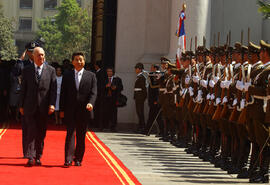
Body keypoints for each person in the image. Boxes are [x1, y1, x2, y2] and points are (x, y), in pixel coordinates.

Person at [19, 47, 57, 167]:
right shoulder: (27, 70)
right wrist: (21, 105)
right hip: (29, 106)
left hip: (44, 107)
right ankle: (30, 157)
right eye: (38, 55)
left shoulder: (51, 70)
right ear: (33, 56)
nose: (41, 57)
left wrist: (52, 104)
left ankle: (38, 156)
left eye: (42, 55)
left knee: (41, 133)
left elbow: (53, 90)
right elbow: (23, 89)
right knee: (31, 131)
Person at [60, 52, 97, 167]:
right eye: (76, 59)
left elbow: (94, 92)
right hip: (70, 110)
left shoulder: (91, 76)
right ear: (72, 62)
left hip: (84, 111)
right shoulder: (67, 75)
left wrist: (91, 103)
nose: (79, 62)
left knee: (81, 136)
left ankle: (78, 159)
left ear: (84, 61)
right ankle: (68, 159)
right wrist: (61, 109)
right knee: (70, 134)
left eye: (81, 59)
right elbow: (63, 93)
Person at [14, 41, 39, 158]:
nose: (33, 53)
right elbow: (15, 72)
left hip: (39, 101)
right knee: (27, 128)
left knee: (39, 129)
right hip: (26, 100)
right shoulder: (23, 65)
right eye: (31, 51)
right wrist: (20, 60)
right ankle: (27, 152)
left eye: (35, 51)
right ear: (27, 52)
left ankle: (36, 152)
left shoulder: (43, 64)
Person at [101, 67, 123, 132]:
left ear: (113, 72)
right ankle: (105, 126)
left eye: (110, 71)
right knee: (105, 112)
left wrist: (116, 88)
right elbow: (99, 87)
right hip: (105, 99)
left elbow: (121, 88)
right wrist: (105, 86)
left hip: (114, 99)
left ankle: (113, 127)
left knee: (113, 113)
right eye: (108, 71)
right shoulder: (104, 79)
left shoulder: (118, 79)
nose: (109, 73)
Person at [134, 62, 147, 133]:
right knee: (139, 112)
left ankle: (142, 127)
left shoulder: (141, 77)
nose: (135, 70)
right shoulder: (139, 76)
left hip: (140, 97)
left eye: (136, 68)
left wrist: (143, 97)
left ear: (139, 69)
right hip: (138, 96)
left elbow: (144, 89)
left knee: (140, 112)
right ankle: (140, 127)